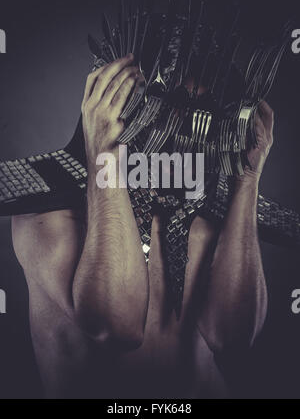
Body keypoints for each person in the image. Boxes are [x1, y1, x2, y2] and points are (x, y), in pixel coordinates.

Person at [11, 53, 273, 398]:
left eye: (196, 120)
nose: (179, 142)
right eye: (161, 115)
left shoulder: (213, 219)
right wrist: (104, 151)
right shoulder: (50, 221)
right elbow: (117, 327)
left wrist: (248, 179)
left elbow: (234, 339)